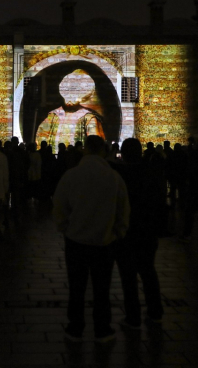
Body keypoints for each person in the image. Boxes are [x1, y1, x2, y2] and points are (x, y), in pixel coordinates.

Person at [53, 135, 130, 343]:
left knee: (77, 287)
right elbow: (123, 209)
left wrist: (65, 228)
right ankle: (102, 329)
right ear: (103, 151)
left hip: (76, 240)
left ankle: (75, 328)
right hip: (104, 241)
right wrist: (118, 232)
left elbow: (59, 205)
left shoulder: (71, 175)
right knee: (102, 288)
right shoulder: (113, 176)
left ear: (85, 149)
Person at [111, 138, 165, 328]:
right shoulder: (151, 172)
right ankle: (155, 311)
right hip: (148, 230)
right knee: (148, 270)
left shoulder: (119, 175)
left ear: (123, 154)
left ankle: (133, 317)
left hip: (126, 230)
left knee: (128, 276)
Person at [36, 70, 105, 146]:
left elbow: (95, 142)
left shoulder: (88, 118)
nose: (70, 100)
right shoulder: (53, 116)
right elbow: (41, 136)